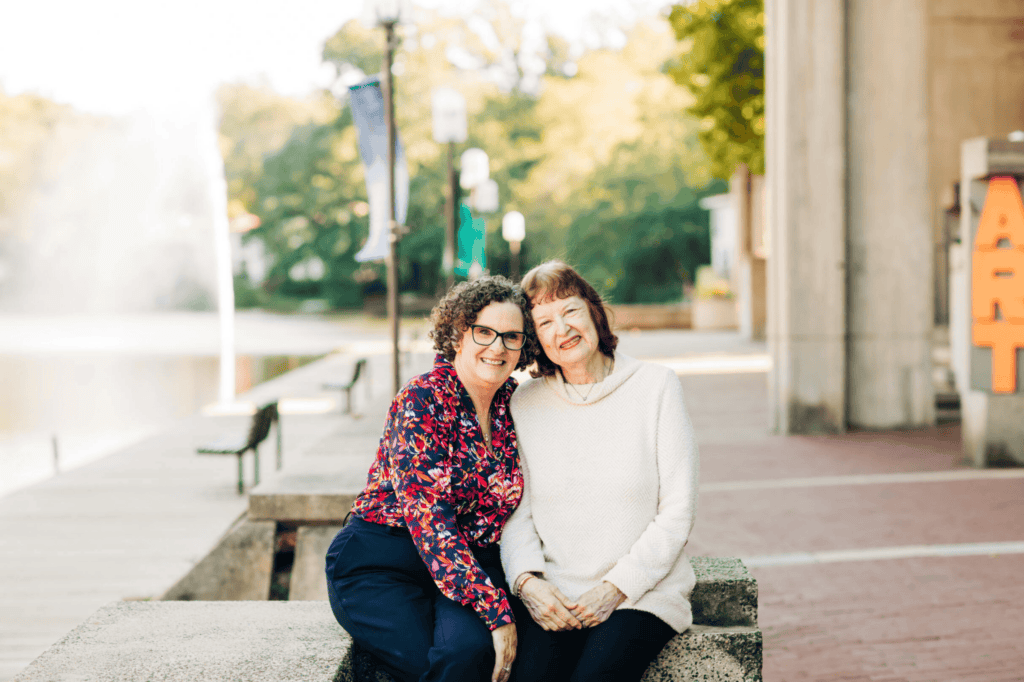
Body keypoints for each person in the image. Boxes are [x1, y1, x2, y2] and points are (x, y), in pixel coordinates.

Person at [325, 276, 539, 682]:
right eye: (484, 332)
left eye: (512, 337)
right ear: (459, 333)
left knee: (473, 654)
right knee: (459, 663)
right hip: (384, 558)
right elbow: (430, 521)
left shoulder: (516, 403)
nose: (498, 347)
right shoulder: (422, 399)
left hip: (468, 559)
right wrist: (495, 612)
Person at [500, 260, 699, 682]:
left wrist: (615, 589)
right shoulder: (525, 403)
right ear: (536, 340)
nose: (562, 328)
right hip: (555, 595)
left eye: (570, 310)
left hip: (640, 593)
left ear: (593, 311)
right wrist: (528, 584)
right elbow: (517, 511)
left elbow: (677, 512)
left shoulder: (656, 387)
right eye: (545, 321)